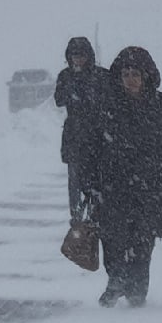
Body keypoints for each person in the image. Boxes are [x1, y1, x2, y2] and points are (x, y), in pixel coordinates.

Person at [80, 45, 162, 308]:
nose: (130, 79)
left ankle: (138, 288)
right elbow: (90, 146)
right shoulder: (106, 105)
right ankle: (116, 279)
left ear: (147, 76)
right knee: (112, 237)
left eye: (136, 74)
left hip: (151, 187)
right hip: (112, 186)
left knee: (142, 240)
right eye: (126, 73)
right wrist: (89, 182)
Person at [53, 36, 107, 224]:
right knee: (75, 179)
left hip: (99, 137)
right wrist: (73, 87)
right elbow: (59, 99)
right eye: (74, 55)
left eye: (81, 55)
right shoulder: (65, 76)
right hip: (74, 137)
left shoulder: (100, 76)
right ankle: (76, 216)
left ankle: (97, 211)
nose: (78, 59)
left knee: (99, 178)